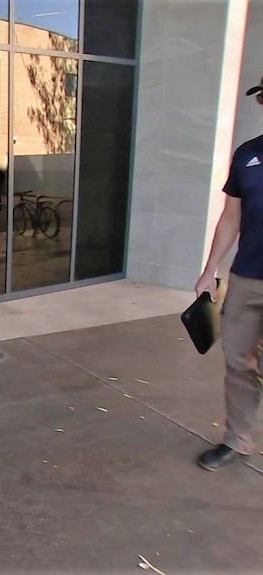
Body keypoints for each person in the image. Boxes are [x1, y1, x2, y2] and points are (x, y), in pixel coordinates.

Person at [195, 75, 263, 472]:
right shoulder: (248, 156)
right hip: (247, 278)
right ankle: (238, 439)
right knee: (238, 363)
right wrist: (210, 271)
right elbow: (230, 218)